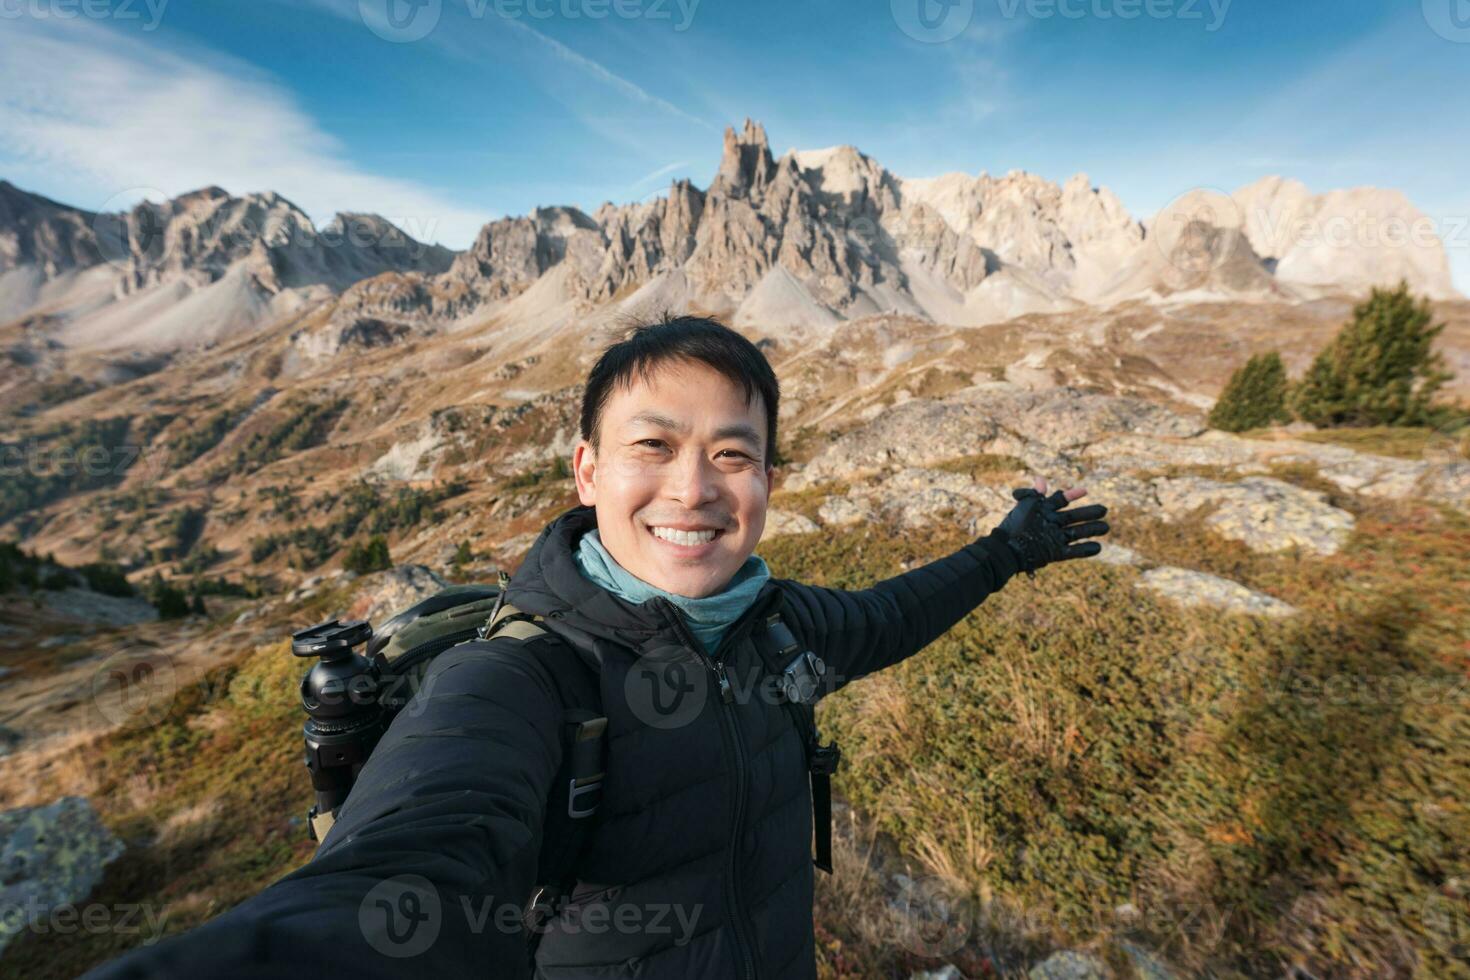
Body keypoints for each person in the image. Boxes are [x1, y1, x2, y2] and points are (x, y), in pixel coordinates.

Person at [85, 315, 1109, 979]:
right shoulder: (518, 676)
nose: (695, 487)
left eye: (733, 454)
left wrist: (1005, 551)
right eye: (653, 446)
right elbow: (410, 863)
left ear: (766, 482)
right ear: (587, 470)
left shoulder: (779, 621)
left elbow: (889, 615)